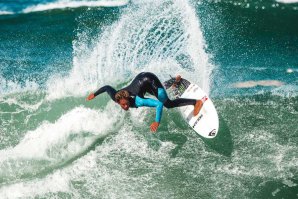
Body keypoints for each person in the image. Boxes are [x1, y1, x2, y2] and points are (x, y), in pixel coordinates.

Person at [86, 72, 206, 132]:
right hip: (141, 80)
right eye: (123, 105)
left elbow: (158, 105)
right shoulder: (116, 96)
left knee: (166, 103)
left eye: (126, 103)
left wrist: (156, 121)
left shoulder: (138, 101)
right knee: (158, 92)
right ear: (118, 101)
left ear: (128, 99)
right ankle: (175, 81)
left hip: (149, 78)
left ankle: (196, 102)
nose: (126, 106)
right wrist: (94, 94)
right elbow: (107, 87)